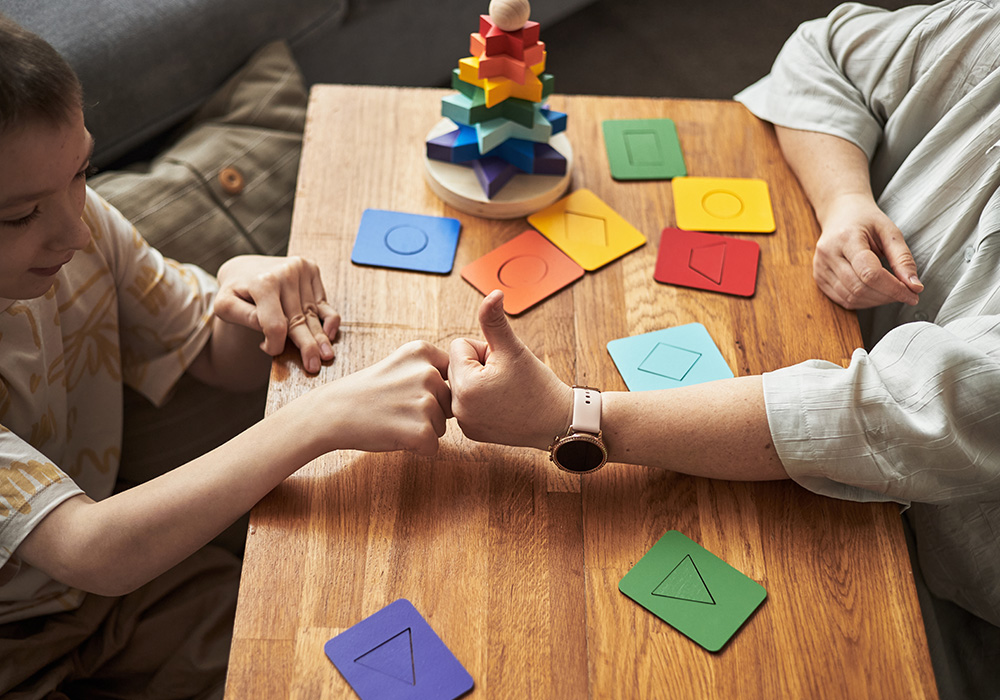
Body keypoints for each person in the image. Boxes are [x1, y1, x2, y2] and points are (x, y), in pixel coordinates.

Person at [448, 2, 1000, 698]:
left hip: (957, 570)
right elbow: (822, 52)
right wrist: (844, 201)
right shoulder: (987, 32)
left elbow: (881, 414)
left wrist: (571, 416)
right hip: (822, 355)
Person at [0, 15, 451, 698]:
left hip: (129, 601)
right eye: (20, 215)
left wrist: (253, 297)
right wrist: (319, 420)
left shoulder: (87, 228)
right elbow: (90, 550)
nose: (71, 228)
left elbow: (216, 357)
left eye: (82, 171)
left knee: (343, 662)